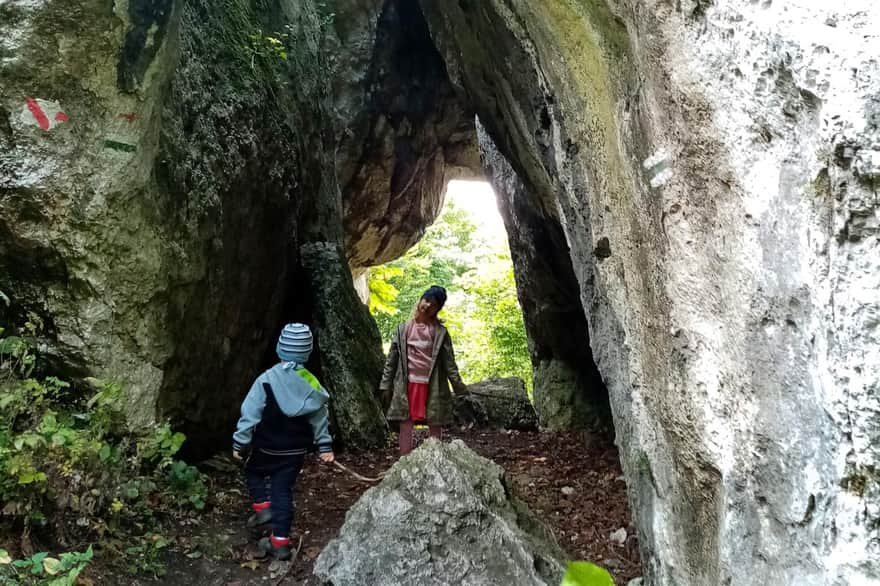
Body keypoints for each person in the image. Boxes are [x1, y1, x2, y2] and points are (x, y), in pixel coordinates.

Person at [232, 323, 334, 560]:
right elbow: (320, 418)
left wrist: (240, 442)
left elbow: (250, 413)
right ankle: (280, 543)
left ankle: (262, 508)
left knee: (252, 472)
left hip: (266, 445)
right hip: (294, 451)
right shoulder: (312, 384)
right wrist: (325, 446)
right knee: (283, 492)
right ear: (307, 353)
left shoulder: (266, 379)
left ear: (280, 349)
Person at [379, 285, 469, 455]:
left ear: (437, 309)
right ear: (420, 300)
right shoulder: (403, 330)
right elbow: (391, 360)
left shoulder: (440, 332)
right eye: (426, 300)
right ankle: (404, 461)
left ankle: (436, 459)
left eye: (433, 304)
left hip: (432, 385)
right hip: (407, 384)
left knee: (435, 423)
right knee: (406, 425)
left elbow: (450, 364)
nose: (427, 306)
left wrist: (459, 388)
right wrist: (385, 384)